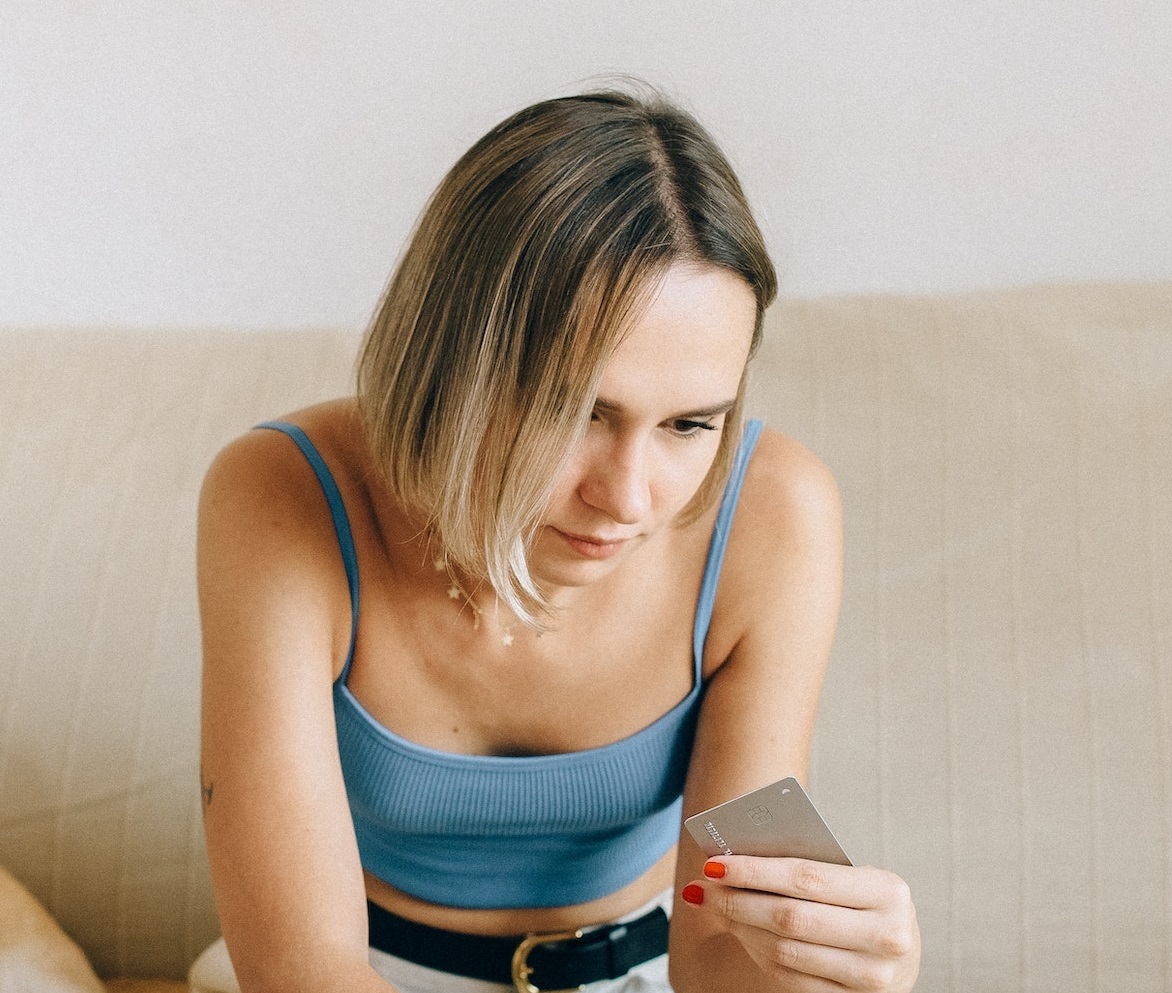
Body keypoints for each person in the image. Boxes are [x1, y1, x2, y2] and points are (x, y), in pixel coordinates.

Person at [196, 85, 920, 993]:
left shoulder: (777, 513)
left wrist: (829, 967)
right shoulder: (281, 496)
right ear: (453, 361)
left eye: (690, 425)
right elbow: (301, 970)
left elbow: (718, 951)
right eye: (577, 411)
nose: (626, 496)